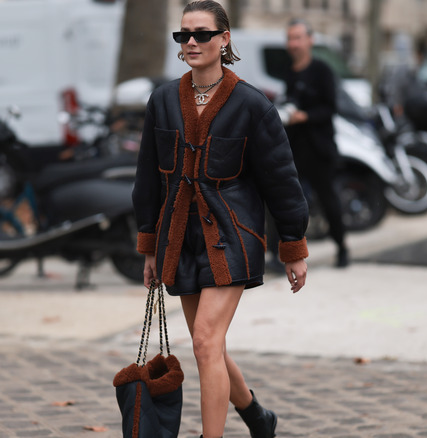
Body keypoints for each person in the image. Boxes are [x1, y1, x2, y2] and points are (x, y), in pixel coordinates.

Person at [131, 2, 309, 437]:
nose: (191, 42)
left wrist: (293, 246)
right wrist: (149, 245)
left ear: (224, 39)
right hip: (179, 237)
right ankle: (257, 417)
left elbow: (281, 180)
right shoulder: (162, 101)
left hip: (233, 234)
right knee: (207, 344)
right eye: (184, 34)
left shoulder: (252, 104)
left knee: (206, 340)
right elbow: (148, 179)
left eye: (202, 34)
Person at [282, 18, 349, 267]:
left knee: (328, 199)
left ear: (310, 40)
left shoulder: (322, 70)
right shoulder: (289, 72)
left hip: (320, 149)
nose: (294, 43)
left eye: (298, 37)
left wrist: (306, 116)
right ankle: (286, 254)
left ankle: (341, 248)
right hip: (294, 149)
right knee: (288, 202)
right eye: (290, 38)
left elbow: (330, 108)